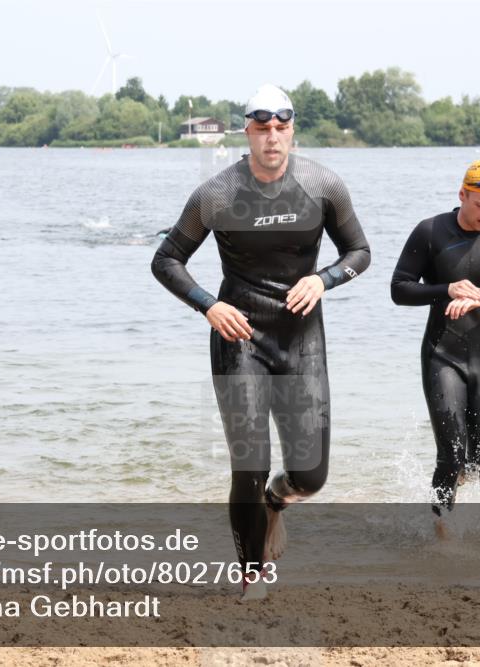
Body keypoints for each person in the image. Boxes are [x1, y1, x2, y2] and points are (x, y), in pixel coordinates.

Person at [152, 84, 370, 599]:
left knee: (310, 477)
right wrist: (209, 304)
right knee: (248, 463)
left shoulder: (323, 185)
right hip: (240, 337)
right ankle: (252, 573)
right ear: (247, 130)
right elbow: (166, 259)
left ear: (292, 130)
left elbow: (359, 251)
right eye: (261, 127)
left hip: (301, 339)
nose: (272, 137)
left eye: (281, 127)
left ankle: (277, 505)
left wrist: (325, 279)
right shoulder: (218, 193)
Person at [391, 160, 480, 526]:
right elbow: (400, 289)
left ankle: (449, 493)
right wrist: (447, 289)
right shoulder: (430, 231)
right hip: (443, 355)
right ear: (462, 195)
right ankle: (440, 528)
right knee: (451, 454)